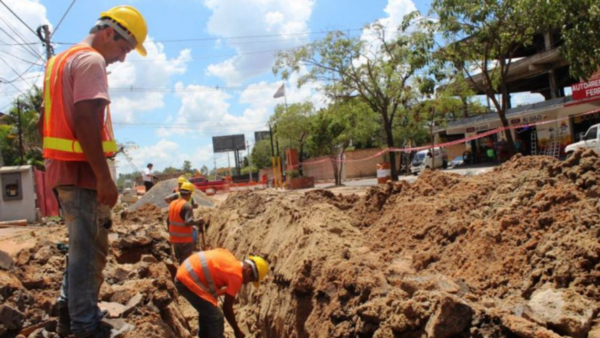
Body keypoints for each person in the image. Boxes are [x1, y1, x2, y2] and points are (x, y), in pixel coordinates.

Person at [40, 5, 148, 338]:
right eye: (124, 48)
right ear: (107, 34)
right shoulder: (91, 61)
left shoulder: (58, 61)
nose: (122, 58)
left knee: (79, 249)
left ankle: (68, 317)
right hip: (83, 173)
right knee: (88, 255)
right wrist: (104, 177)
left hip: (61, 172)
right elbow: (86, 119)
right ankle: (86, 326)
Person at [175, 249, 269, 338]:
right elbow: (227, 308)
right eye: (250, 280)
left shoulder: (229, 256)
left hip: (185, 271)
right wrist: (236, 330)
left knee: (208, 310)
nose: (246, 283)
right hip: (186, 281)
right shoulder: (237, 276)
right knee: (216, 317)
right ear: (248, 272)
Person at [168, 182, 205, 263]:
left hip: (174, 238)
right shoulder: (187, 205)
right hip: (184, 240)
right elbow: (188, 222)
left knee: (180, 261)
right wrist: (199, 221)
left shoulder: (172, 204)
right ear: (190, 193)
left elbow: (169, 220)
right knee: (186, 263)